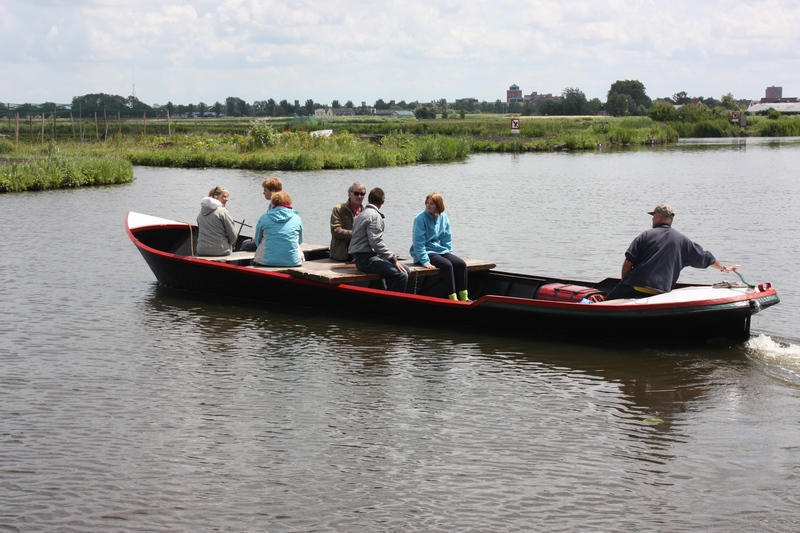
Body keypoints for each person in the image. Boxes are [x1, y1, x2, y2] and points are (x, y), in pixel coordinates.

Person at [605, 203, 740, 300]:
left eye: (653, 216)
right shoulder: (683, 240)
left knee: (605, 302)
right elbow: (705, 258)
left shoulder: (645, 236)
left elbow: (628, 262)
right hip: (661, 292)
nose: (651, 219)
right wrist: (725, 268)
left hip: (636, 287)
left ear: (658, 217)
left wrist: (624, 283)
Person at [409, 192, 469, 301]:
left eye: (431, 203)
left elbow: (447, 238)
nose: (428, 205)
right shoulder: (420, 218)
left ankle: (464, 297)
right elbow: (418, 242)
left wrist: (448, 253)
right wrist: (425, 261)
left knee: (461, 264)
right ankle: (453, 298)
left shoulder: (444, 217)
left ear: (438, 205)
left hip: (439, 250)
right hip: (425, 252)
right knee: (447, 265)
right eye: (427, 203)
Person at [348, 187, 408, 292]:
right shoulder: (374, 216)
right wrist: (392, 259)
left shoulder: (361, 214)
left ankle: (388, 295)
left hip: (361, 258)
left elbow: (371, 242)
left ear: (368, 200)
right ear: (383, 202)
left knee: (406, 269)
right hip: (366, 260)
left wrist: (387, 254)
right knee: (402, 274)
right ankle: (395, 304)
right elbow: (375, 242)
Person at [252, 191, 304, 267]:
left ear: (273, 202)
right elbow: (300, 241)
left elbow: (257, 240)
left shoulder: (264, 218)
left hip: (266, 261)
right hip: (293, 261)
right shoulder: (297, 218)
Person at [239, 177, 283, 252]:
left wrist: (258, 238)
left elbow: (269, 226)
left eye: (265, 190)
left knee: (245, 244)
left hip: (272, 242)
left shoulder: (273, 207)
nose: (263, 193)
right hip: (280, 241)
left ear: (272, 191)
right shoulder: (284, 205)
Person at [329, 181, 367, 261]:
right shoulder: (338, 209)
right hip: (343, 254)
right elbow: (335, 231)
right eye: (356, 193)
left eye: (362, 194)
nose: (359, 196)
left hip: (361, 253)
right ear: (349, 194)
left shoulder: (366, 211)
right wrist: (356, 234)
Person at [196, 185, 237, 256]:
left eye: (227, 197)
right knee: (231, 249)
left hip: (201, 250)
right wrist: (230, 244)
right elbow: (233, 234)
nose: (227, 199)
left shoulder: (201, 212)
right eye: (224, 197)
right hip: (221, 251)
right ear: (215, 196)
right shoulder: (223, 211)